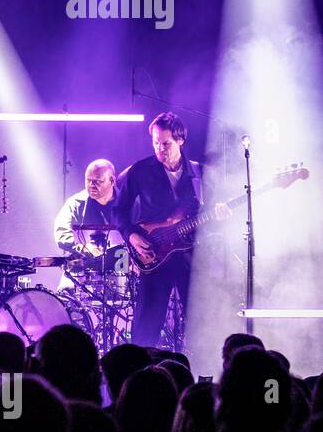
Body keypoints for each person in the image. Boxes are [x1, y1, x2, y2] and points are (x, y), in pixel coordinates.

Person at [115, 112, 229, 347]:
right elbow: (119, 211)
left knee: (200, 322)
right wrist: (132, 235)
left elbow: (211, 217)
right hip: (154, 254)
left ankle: (201, 373)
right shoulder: (139, 171)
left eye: (165, 143)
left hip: (191, 256)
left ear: (181, 140)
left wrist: (220, 214)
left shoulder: (200, 173)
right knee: (146, 327)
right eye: (155, 143)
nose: (160, 149)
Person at [53, 159, 123, 292]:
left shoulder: (128, 202)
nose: (91, 185)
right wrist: (82, 246)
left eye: (98, 181)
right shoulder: (75, 203)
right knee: (65, 292)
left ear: (112, 181)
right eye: (88, 180)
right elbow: (61, 232)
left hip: (120, 266)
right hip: (81, 266)